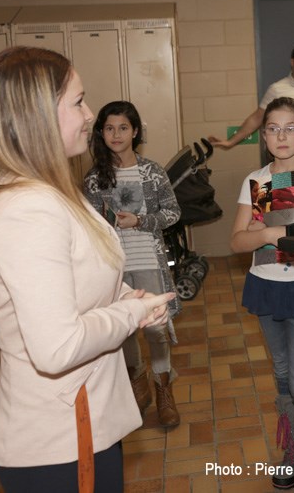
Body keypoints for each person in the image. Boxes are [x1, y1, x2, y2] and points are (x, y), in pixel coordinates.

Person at [0, 46, 175, 492]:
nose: (90, 115)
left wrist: (126, 297)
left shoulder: (54, 190)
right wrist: (131, 314)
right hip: (60, 434)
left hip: (84, 421)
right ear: (38, 114)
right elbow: (57, 347)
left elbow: (82, 281)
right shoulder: (28, 208)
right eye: (78, 101)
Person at [230, 97, 294, 490]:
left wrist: (267, 231)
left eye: (291, 127)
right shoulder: (256, 180)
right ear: (263, 135)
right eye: (273, 128)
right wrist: (280, 233)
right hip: (265, 283)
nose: (281, 136)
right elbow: (238, 242)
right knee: (281, 375)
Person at [84, 100, 183, 429]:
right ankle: (137, 385)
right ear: (101, 132)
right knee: (123, 331)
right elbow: (86, 225)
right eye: (109, 128)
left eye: (123, 128)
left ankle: (163, 392)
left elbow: (173, 212)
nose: (116, 134)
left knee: (156, 330)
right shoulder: (94, 179)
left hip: (149, 263)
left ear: (135, 132)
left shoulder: (152, 171)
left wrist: (140, 220)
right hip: (112, 269)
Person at [210, 43, 294, 149]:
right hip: (286, 150)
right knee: (283, 176)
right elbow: (257, 118)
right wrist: (230, 142)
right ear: (293, 62)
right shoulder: (277, 89)